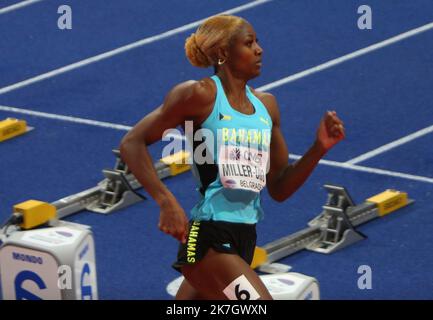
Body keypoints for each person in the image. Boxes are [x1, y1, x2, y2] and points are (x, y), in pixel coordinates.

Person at [119, 14, 345, 300]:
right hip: (207, 239)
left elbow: (279, 187)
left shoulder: (267, 107)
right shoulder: (198, 95)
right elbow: (132, 142)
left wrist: (319, 148)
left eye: (257, 42)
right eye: (249, 43)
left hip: (245, 237)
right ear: (224, 53)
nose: (259, 50)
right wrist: (166, 201)